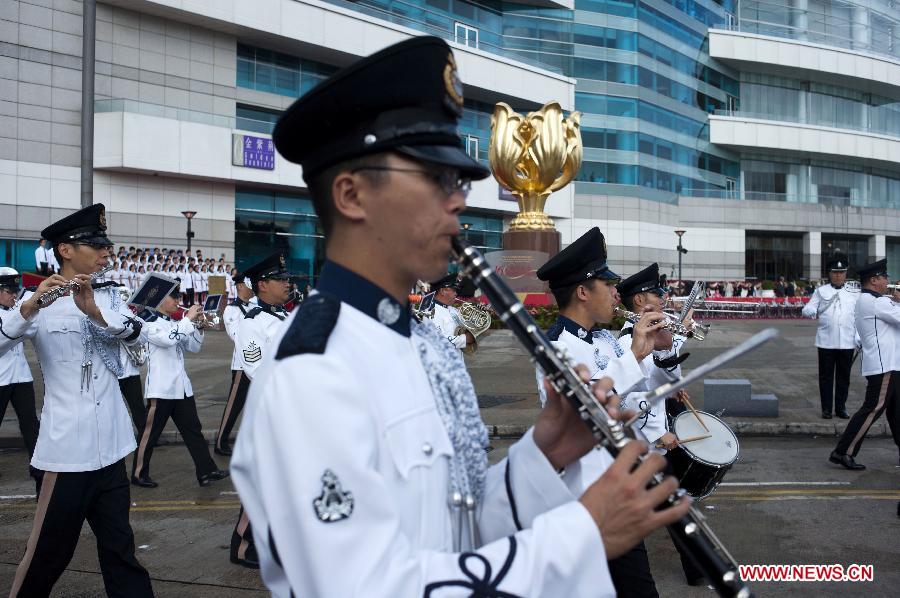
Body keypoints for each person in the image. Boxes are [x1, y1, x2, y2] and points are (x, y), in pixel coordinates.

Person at [230, 37, 690, 597]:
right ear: (351, 195)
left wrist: (545, 454)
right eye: (436, 178)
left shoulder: (418, 340)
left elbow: (454, 531)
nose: (459, 201)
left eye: (459, 182)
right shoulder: (312, 374)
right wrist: (582, 532)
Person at [0, 204, 153, 597]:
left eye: (106, 244)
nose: (106, 252)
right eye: (96, 244)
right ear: (65, 250)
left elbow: (138, 335)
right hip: (68, 451)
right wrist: (30, 307)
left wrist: (98, 314)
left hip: (113, 446)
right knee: (48, 554)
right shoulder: (36, 303)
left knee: (121, 549)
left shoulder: (109, 294)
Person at [534, 232, 669, 597]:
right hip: (584, 494)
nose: (615, 292)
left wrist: (661, 349)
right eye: (607, 284)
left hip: (616, 483)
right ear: (582, 291)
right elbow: (587, 405)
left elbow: (639, 393)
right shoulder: (556, 346)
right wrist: (636, 357)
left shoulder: (605, 340)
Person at [615, 263, 704, 590]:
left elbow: (660, 380)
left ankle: (696, 568)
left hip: (654, 437)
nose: (664, 298)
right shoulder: (628, 342)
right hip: (645, 443)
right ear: (640, 301)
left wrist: (669, 349)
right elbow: (628, 399)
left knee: (674, 504)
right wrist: (656, 435)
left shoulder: (650, 333)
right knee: (671, 506)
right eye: (657, 293)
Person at [131, 283, 229, 489]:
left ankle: (206, 471)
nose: (178, 301)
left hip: (181, 387)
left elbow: (193, 347)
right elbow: (167, 340)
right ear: (160, 301)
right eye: (173, 297)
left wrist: (199, 326)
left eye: (178, 297)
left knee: (193, 430)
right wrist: (187, 320)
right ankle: (138, 473)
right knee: (150, 434)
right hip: (161, 388)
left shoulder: (173, 322)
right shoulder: (148, 321)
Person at [228, 253, 292, 569]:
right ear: (263, 285)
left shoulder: (284, 317)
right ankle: (242, 545)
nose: (288, 283)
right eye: (281, 279)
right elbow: (257, 369)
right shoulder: (251, 323)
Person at [830, 259, 900, 470]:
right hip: (884, 365)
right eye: (884, 277)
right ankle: (843, 452)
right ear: (874, 280)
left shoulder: (875, 300)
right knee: (872, 409)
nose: (888, 280)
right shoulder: (876, 301)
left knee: (897, 413)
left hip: (890, 364)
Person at [0, 268, 42, 494]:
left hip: (21, 375)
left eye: (15, 291)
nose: (13, 296)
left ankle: (38, 469)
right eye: (8, 291)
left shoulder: (16, 310)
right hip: (0, 378)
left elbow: (34, 329)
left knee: (31, 425)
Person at [802, 254, 859, 419]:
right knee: (826, 378)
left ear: (846, 274)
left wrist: (858, 336)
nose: (838, 275)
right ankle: (826, 409)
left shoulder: (854, 292)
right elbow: (808, 308)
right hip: (826, 341)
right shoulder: (821, 291)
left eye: (841, 272)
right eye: (835, 272)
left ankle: (841, 408)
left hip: (847, 341)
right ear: (829, 273)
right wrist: (810, 311)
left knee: (844, 378)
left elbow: (858, 316)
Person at [215, 271, 256, 457]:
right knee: (234, 407)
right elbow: (236, 336)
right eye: (249, 284)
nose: (252, 288)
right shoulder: (232, 310)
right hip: (241, 366)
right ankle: (220, 442)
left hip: (258, 365)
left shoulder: (255, 306)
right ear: (240, 286)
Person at [429, 273, 475, 351]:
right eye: (454, 290)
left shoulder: (453, 310)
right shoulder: (432, 312)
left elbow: (463, 329)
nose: (456, 293)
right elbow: (438, 340)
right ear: (443, 291)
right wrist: (466, 339)